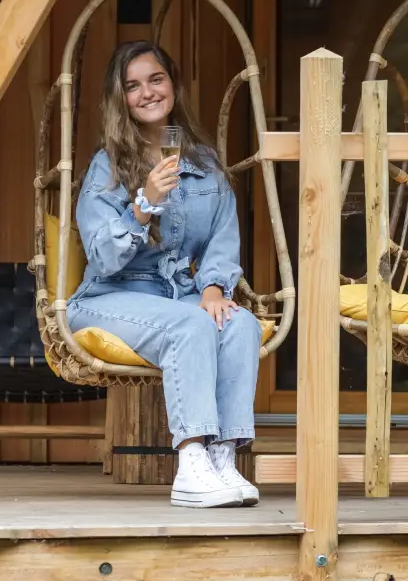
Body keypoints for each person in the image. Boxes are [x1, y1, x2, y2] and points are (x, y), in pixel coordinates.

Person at [67, 40, 263, 509]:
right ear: (122, 99)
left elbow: (222, 237)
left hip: (177, 295)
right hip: (108, 297)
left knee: (239, 323)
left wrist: (214, 288)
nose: (147, 92)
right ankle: (191, 459)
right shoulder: (107, 167)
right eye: (133, 86)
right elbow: (102, 257)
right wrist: (144, 204)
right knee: (191, 323)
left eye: (155, 79)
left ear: (172, 84)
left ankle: (222, 458)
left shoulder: (205, 165)